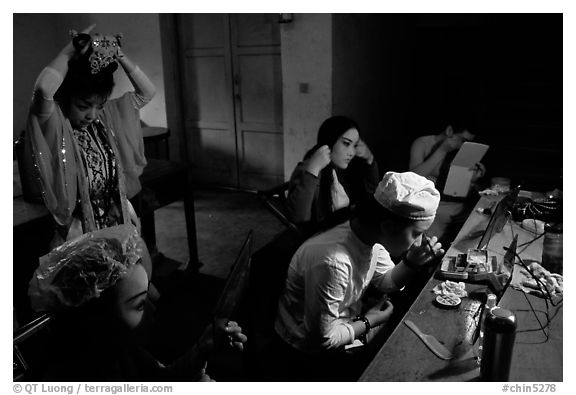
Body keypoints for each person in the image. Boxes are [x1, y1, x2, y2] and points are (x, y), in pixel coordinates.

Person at [268, 171, 444, 381]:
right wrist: (369, 321)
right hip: (305, 353)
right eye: (417, 233)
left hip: (344, 325)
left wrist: (411, 263)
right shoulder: (334, 262)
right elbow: (321, 341)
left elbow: (386, 282)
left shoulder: (367, 234)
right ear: (387, 226)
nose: (419, 241)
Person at [28, 225, 247, 381]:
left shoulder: (122, 350)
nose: (154, 307)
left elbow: (161, 379)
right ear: (99, 319)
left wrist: (201, 349)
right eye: (140, 304)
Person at [19, 25, 156, 247]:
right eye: (83, 106)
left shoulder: (108, 115)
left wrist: (118, 54)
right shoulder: (55, 122)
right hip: (79, 231)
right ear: (66, 97)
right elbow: (44, 89)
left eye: (99, 104)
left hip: (118, 217)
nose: (92, 114)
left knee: (140, 275)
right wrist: (71, 51)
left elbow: (147, 93)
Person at [286, 116, 379, 234]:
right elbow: (298, 218)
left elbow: (372, 194)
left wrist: (369, 159)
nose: (351, 152)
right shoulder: (311, 168)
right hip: (321, 240)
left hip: (345, 232)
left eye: (355, 145)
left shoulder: (342, 167)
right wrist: (312, 171)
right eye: (346, 143)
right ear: (330, 141)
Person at [409, 123, 486, 246]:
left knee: (477, 215)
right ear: (449, 130)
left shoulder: (457, 151)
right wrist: (442, 150)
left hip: (452, 199)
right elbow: (413, 177)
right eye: (462, 140)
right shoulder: (423, 143)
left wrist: (472, 178)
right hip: (428, 200)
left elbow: (455, 184)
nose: (462, 145)